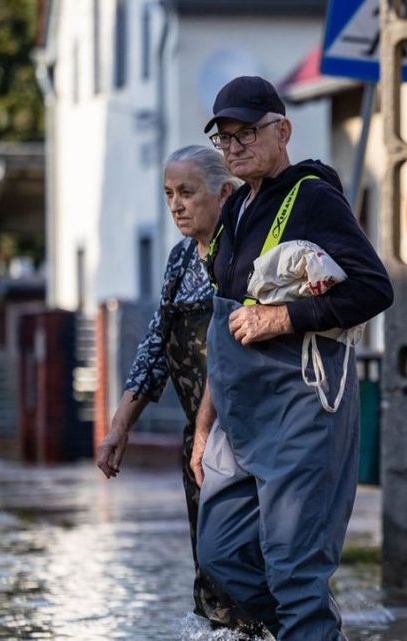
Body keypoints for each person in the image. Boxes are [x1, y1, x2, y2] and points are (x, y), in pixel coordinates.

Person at [192, 75, 393, 640]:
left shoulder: (314, 198)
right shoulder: (234, 212)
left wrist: (281, 317)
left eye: (247, 133)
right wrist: (205, 426)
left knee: (293, 568)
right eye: (224, 138)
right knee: (221, 553)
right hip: (240, 414)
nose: (233, 147)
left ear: (282, 131)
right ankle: (307, 629)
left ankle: (306, 623)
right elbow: (222, 330)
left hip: (304, 407)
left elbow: (375, 289)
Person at [94, 145, 241, 625]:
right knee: (208, 569)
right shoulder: (180, 258)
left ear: (223, 192)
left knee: (243, 560)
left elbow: (231, 351)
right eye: (168, 194)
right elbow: (156, 342)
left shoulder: (243, 251)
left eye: (187, 193)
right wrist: (120, 426)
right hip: (198, 444)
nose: (176, 204)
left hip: (245, 438)